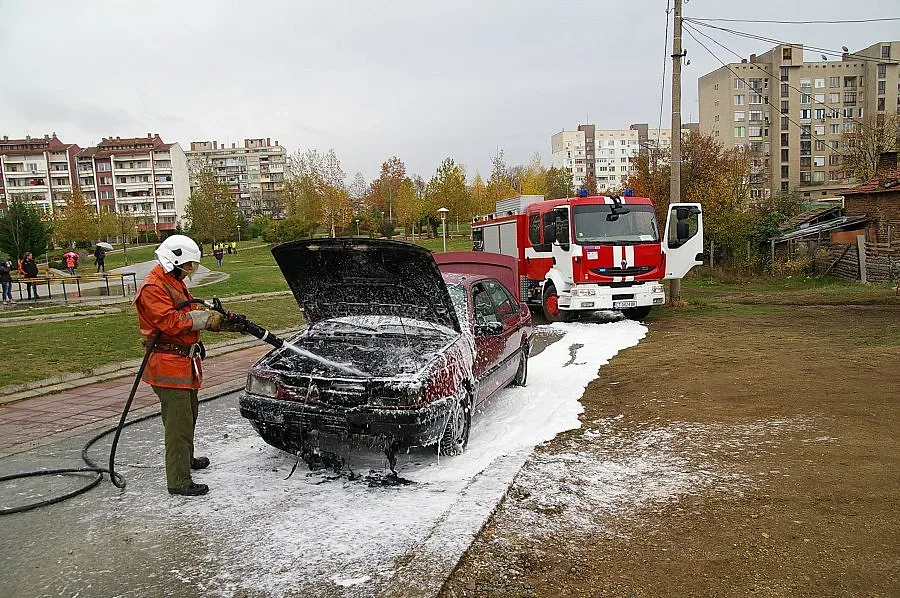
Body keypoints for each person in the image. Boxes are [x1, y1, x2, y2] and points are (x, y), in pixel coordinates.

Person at [133, 235, 243, 497]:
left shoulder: (173, 281)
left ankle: (186, 459)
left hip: (183, 362)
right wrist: (207, 319)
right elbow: (172, 322)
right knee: (178, 425)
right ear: (173, 261)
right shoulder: (153, 287)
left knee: (189, 415)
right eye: (188, 265)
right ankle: (179, 480)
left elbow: (189, 311)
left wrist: (224, 322)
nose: (190, 270)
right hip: (168, 366)